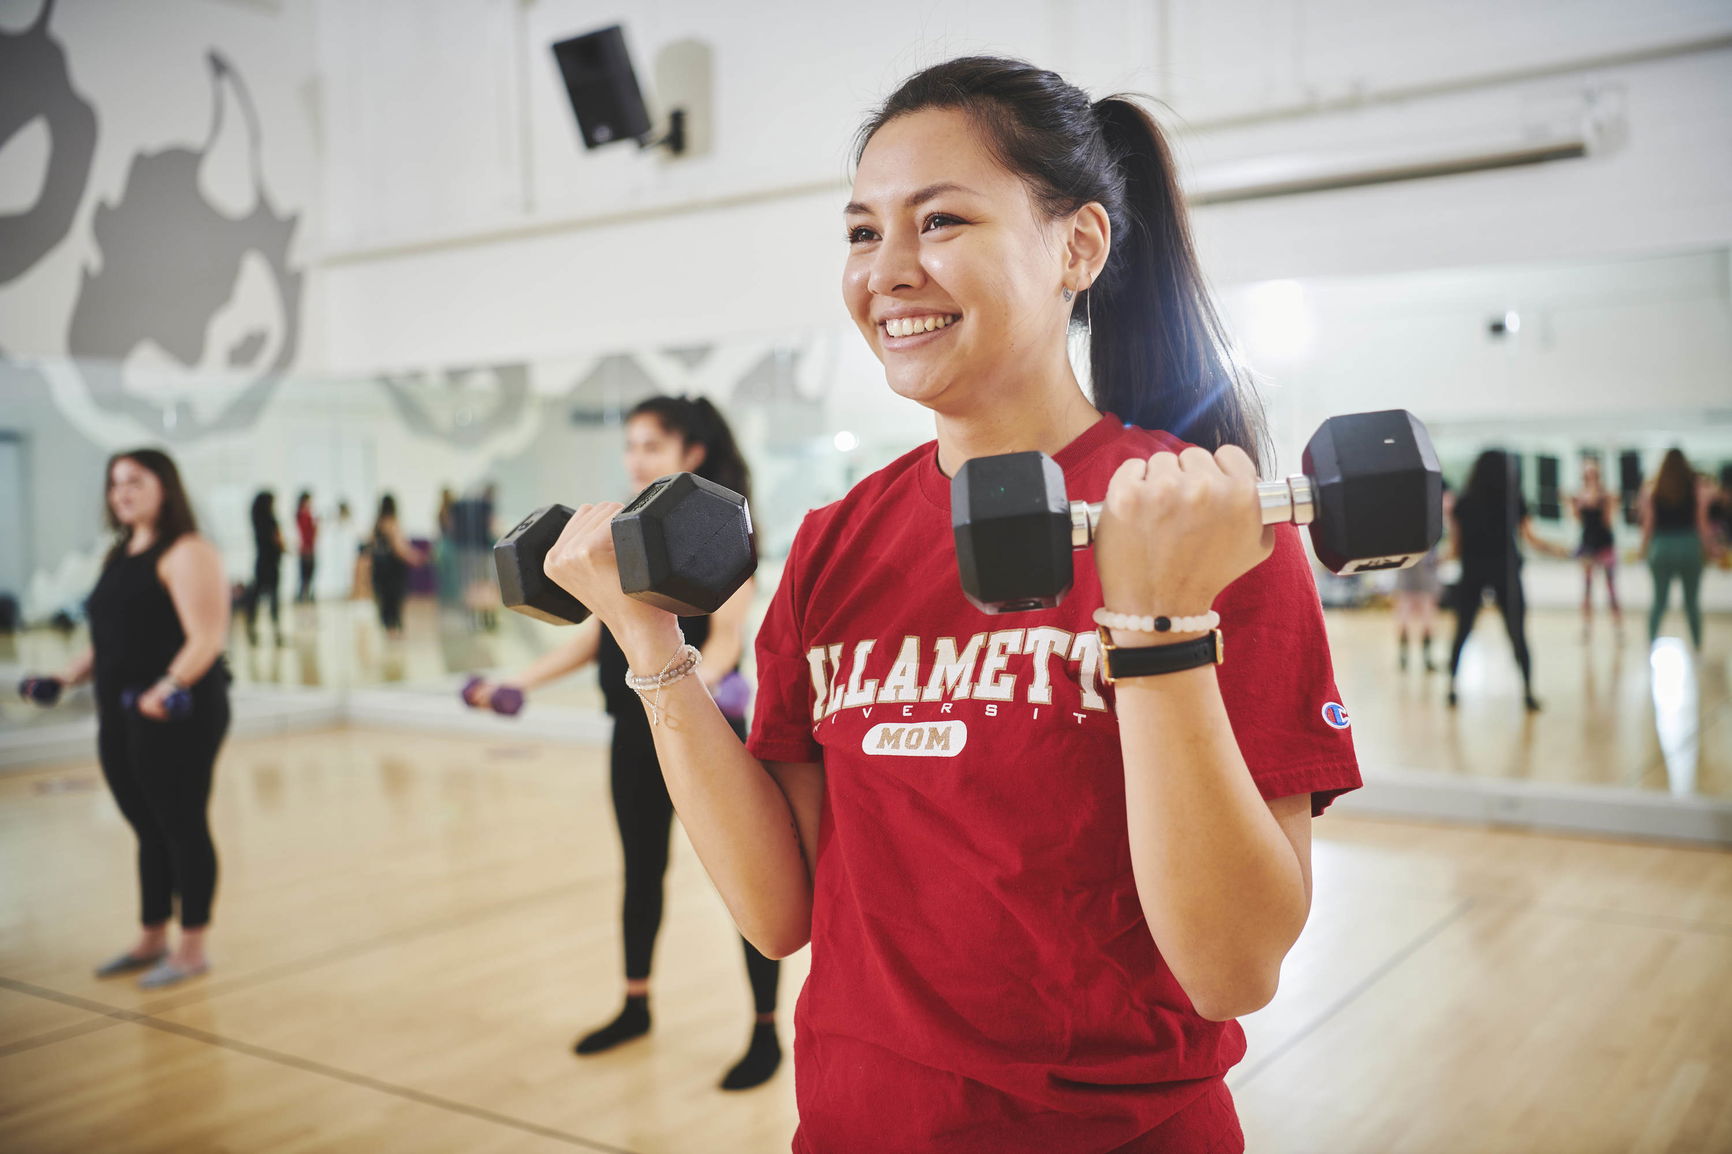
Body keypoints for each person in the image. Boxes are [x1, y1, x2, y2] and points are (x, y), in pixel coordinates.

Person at [539, 58, 1362, 1153]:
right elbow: (780, 909)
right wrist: (653, 646)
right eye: (861, 232)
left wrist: (1161, 626)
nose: (888, 270)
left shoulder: (1205, 521)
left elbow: (1233, 967)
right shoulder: (838, 542)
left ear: (1079, 246)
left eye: (939, 221)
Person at [465, 396, 782, 1091]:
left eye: (651, 447)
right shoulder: (618, 539)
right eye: (631, 446)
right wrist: (513, 681)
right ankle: (634, 1007)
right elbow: (592, 637)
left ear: (689, 457)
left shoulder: (716, 543)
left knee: (747, 887)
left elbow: (727, 641)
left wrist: (697, 685)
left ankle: (765, 1034)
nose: (636, 460)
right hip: (632, 738)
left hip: (704, 738)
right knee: (640, 874)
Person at [49, 450, 231, 988]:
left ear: (164, 488)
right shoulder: (120, 554)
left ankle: (192, 946)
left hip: (177, 712)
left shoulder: (188, 551)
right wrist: (64, 676)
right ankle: (152, 935)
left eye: (134, 481)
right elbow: (108, 641)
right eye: (114, 484)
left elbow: (207, 636)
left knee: (181, 824)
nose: (121, 492)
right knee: (146, 827)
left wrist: (168, 686)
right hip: (120, 711)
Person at [1445, 450, 1568, 711]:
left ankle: (1452, 688)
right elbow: (1530, 538)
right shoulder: (1512, 500)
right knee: (1517, 633)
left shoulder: (1464, 502)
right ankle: (1527, 692)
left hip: (1473, 571)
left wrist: (1437, 560)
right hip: (1506, 573)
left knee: (1462, 629)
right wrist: (1556, 549)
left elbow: (1456, 546)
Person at [1640, 448, 1719, 649]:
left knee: (1659, 601)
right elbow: (1702, 523)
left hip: (1661, 546)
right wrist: (1711, 548)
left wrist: (1643, 549)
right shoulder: (1694, 487)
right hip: (1689, 545)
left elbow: (1648, 524)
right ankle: (1697, 645)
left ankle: (1651, 643)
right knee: (1691, 603)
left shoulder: (1654, 488)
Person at [1393, 480, 1448, 671]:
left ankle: (1404, 658)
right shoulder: (1433, 503)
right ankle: (1425, 659)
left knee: (1406, 609)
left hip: (1406, 558)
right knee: (1424, 609)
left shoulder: (1401, 504)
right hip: (1425, 559)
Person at [1569, 459, 1621, 637]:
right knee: (1587, 588)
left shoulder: (1606, 496)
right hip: (1588, 545)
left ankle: (1618, 628)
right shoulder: (1579, 496)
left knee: (1611, 588)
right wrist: (1575, 505)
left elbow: (1608, 521)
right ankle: (1586, 627)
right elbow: (1578, 520)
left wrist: (1604, 503)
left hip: (1604, 545)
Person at [369, 494, 422, 640]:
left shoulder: (377, 525)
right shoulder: (392, 524)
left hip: (380, 570)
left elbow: (372, 545)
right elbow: (399, 548)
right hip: (393, 570)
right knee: (395, 600)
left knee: (386, 601)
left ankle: (389, 629)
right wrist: (414, 557)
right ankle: (395, 630)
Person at [245, 490, 284, 646]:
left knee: (257, 598)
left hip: (261, 563)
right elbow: (278, 541)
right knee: (273, 599)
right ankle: (276, 633)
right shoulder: (271, 520)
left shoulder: (257, 520)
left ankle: (252, 630)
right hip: (271, 564)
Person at [293, 491, 318, 604]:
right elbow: (309, 533)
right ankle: (304, 598)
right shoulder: (305, 515)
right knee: (307, 575)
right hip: (307, 548)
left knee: (305, 576)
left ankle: (304, 597)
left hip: (306, 548)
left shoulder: (300, 515)